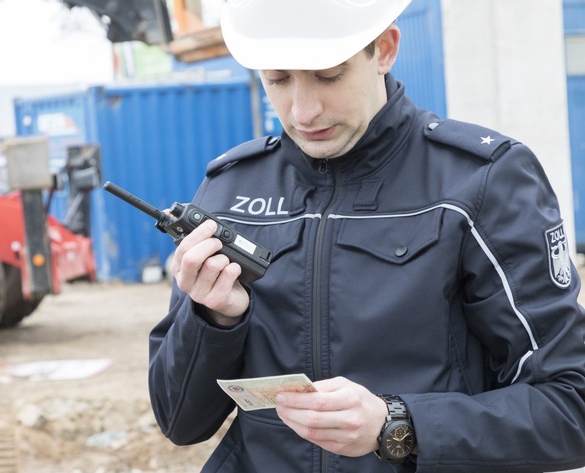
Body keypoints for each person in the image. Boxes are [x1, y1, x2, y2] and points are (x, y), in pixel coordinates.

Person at [148, 0, 585, 471]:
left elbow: (570, 406)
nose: (303, 110)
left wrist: (398, 425)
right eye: (277, 79)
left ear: (385, 49)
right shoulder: (229, 189)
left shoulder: (479, 182)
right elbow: (180, 422)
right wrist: (215, 322)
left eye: (329, 75)